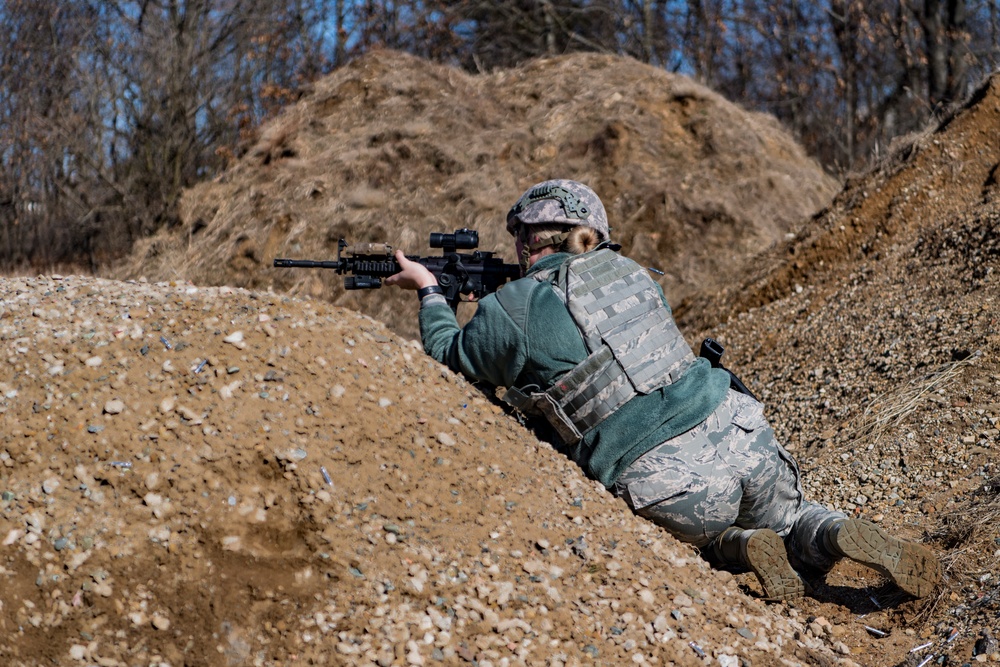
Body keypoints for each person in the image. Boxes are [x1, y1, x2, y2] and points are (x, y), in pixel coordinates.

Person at [385, 179, 940, 601]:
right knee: (793, 518)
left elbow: (450, 360)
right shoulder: (634, 272)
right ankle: (832, 530)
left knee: (701, 542)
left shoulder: (513, 308)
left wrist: (431, 292)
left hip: (667, 482)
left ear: (526, 240)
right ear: (594, 235)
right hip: (740, 433)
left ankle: (738, 549)